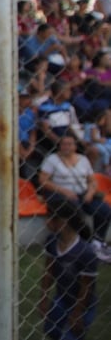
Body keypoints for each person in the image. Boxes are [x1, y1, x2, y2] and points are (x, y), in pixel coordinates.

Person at [38, 132, 111, 262]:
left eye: (69, 144)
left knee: (104, 210)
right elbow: (43, 180)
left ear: (75, 146)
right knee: (75, 211)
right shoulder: (52, 159)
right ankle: (85, 243)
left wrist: (90, 192)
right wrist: (64, 190)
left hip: (83, 193)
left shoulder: (83, 159)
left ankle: (98, 242)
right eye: (63, 144)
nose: (66, 147)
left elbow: (92, 180)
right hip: (62, 194)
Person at [40, 197, 99, 340]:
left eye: (49, 217)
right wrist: (43, 298)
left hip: (82, 305)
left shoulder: (85, 252)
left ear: (62, 222)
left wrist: (77, 313)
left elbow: (86, 287)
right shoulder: (52, 242)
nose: (46, 221)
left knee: (71, 336)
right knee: (52, 331)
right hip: (61, 298)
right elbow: (49, 271)